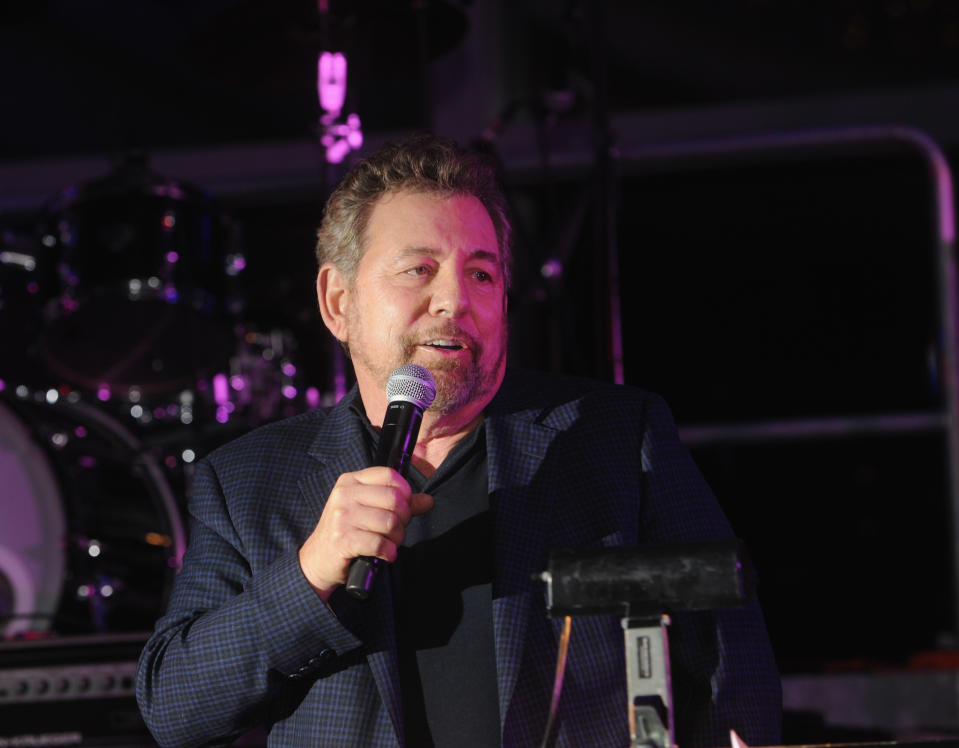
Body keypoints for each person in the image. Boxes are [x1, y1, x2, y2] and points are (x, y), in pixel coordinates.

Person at [136, 134, 782, 747]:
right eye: (418, 270)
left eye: (481, 274)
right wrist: (310, 574)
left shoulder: (613, 434)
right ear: (337, 302)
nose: (453, 300)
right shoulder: (249, 478)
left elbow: (729, 649)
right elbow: (175, 709)